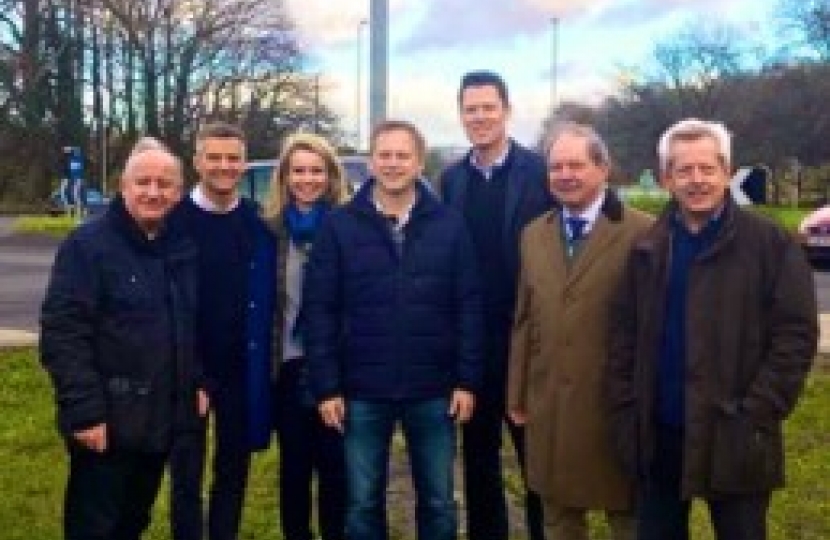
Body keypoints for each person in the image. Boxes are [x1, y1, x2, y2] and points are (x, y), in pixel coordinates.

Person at [605, 118, 818, 540]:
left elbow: (795, 337)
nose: (696, 180)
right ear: (667, 178)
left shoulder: (770, 244)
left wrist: (757, 410)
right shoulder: (649, 247)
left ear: (726, 171)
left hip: (736, 437)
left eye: (707, 168)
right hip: (661, 435)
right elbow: (624, 336)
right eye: (684, 170)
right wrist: (627, 410)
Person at [304, 120, 484, 540]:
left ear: (420, 162)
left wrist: (467, 380)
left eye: (403, 155)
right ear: (370, 161)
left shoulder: (449, 225)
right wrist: (327, 386)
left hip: (433, 389)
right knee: (363, 503)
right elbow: (320, 310)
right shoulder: (340, 226)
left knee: (439, 502)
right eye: (384, 154)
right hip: (361, 388)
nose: (393, 164)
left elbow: (469, 307)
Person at [40, 138, 205, 540]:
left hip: (158, 424)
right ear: (124, 187)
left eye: (164, 184)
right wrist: (84, 412)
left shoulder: (180, 248)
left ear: (179, 192)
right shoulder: (88, 246)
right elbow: (64, 332)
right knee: (95, 527)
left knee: (133, 523)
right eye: (143, 182)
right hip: (106, 425)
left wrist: (198, 378)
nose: (154, 192)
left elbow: (190, 323)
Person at [507, 123, 652, 540]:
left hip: (615, 404)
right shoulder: (534, 235)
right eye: (556, 167)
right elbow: (524, 319)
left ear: (603, 169)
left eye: (576, 165)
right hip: (549, 402)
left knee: (627, 516)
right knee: (558, 516)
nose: (565, 175)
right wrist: (517, 394)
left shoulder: (642, 233)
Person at [439, 69, 550, 540]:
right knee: (479, 461)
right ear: (461, 114)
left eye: (489, 107)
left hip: (528, 341)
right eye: (471, 108)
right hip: (473, 344)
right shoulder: (450, 180)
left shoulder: (540, 172)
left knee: (537, 462)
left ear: (506, 110)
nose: (480, 116)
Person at [169, 122, 277, 540]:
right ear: (197, 161)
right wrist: (192, 372)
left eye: (232, 158)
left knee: (232, 471)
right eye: (214, 157)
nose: (223, 166)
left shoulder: (254, 225)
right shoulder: (174, 222)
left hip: (239, 369)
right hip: (185, 369)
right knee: (186, 475)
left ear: (244, 163)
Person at [264, 133, 349, 540]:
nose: (307, 179)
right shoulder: (270, 232)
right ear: (284, 177)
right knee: (294, 470)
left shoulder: (350, 230)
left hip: (337, 369)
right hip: (288, 366)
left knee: (337, 470)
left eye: (316, 171)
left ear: (331, 176)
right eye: (298, 170)